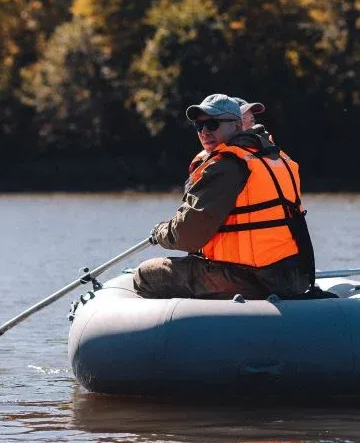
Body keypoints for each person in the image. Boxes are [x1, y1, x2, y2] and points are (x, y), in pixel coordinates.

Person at [135, 93, 315, 300]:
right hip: (292, 276)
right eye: (198, 126)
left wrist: (160, 232)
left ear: (237, 126)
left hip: (249, 277)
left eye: (213, 124)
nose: (204, 132)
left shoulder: (225, 166)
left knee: (146, 274)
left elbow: (188, 235)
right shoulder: (274, 156)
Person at [188, 97, 267, 174]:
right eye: (198, 125)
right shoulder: (269, 150)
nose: (252, 126)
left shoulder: (266, 151)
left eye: (252, 120)